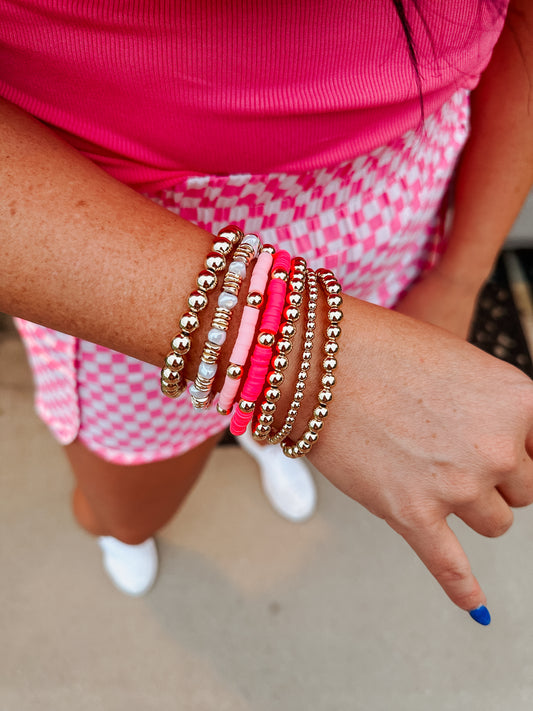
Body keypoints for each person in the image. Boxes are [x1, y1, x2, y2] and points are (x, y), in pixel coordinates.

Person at [1, 0, 533, 623]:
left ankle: (270, 426)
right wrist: (302, 370)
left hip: (393, 192)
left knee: (321, 420)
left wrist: (459, 275)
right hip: (120, 242)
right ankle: (132, 531)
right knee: (124, 511)